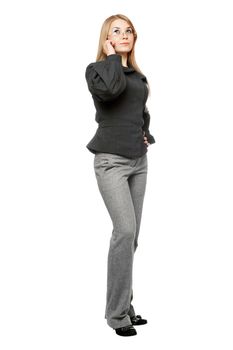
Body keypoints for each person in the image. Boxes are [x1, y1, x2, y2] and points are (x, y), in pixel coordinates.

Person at [85, 14, 156, 337]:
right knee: (124, 232)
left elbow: (140, 111)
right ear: (107, 38)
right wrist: (113, 56)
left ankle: (125, 305)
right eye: (117, 31)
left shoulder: (138, 76)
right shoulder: (98, 70)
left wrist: (146, 134)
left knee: (132, 238)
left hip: (138, 162)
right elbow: (112, 93)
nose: (124, 34)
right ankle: (116, 316)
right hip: (110, 162)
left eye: (128, 30)